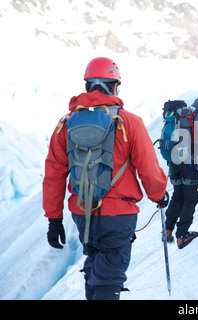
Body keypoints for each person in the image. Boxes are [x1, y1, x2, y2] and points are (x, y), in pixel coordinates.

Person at [43, 57, 168, 300]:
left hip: (82, 213)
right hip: (119, 215)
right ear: (114, 86)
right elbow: (148, 166)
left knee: (94, 267)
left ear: (88, 85)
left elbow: (54, 174)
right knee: (109, 276)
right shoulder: (128, 122)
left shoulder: (66, 124)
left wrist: (54, 219)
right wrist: (159, 195)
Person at [164, 90, 198, 249]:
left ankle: (167, 230)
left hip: (174, 162)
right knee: (191, 199)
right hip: (190, 164)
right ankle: (182, 235)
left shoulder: (182, 114)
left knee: (178, 195)